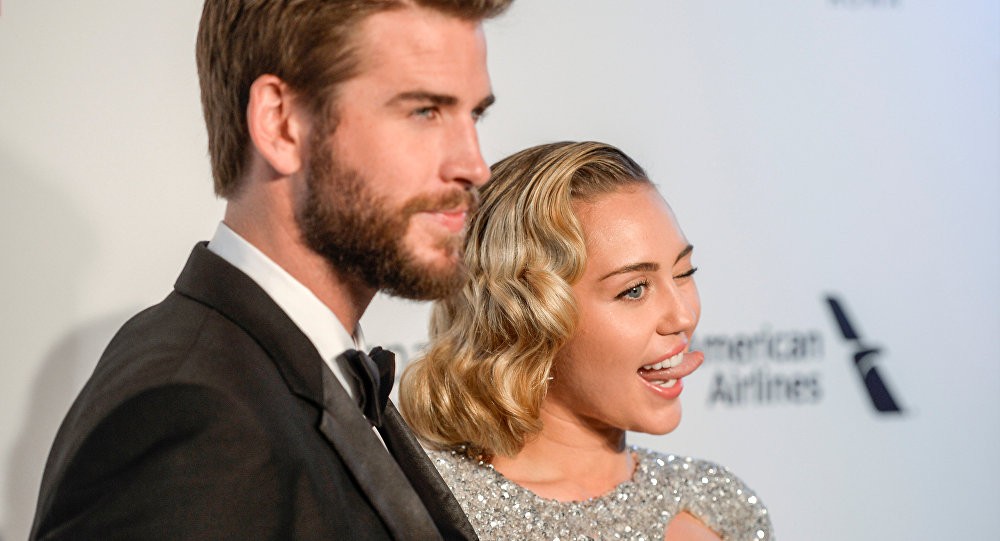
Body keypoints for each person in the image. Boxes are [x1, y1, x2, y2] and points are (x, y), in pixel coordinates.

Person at [31, 0, 512, 539]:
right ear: (281, 124)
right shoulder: (194, 420)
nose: (475, 166)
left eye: (474, 115)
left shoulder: (276, 372)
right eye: (424, 112)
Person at [400, 141, 774, 540]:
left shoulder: (719, 510)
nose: (683, 316)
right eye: (634, 289)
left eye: (684, 273)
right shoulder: (430, 514)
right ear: (528, 316)